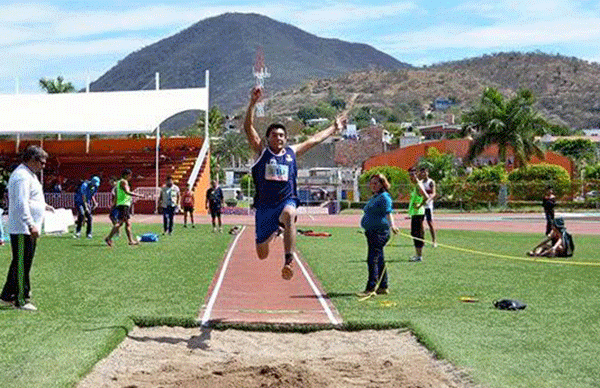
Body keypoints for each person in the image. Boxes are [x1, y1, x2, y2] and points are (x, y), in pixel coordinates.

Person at [244, 86, 346, 280]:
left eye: (282, 135)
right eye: (274, 135)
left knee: (290, 213)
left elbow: (314, 140)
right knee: (262, 254)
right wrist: (252, 103)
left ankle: (289, 260)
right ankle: (275, 229)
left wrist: (334, 128)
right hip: (265, 207)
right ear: (268, 138)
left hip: (286, 201)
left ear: (286, 138)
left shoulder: (291, 153)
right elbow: (248, 129)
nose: (279, 138)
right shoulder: (262, 151)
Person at [0, 146, 54, 311]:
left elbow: (31, 198)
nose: (43, 166)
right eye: (42, 162)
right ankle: (21, 299)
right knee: (23, 263)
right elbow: (21, 202)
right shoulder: (22, 176)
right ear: (32, 159)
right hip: (23, 228)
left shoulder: (28, 175)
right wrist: (30, 224)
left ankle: (7, 295)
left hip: (26, 227)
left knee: (20, 262)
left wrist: (43, 206)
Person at [359, 174, 398, 296]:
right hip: (371, 232)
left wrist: (393, 226)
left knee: (372, 259)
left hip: (379, 233)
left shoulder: (384, 197)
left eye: (376, 183)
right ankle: (383, 286)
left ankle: (371, 288)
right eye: (371, 183)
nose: (373, 185)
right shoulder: (376, 197)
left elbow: (388, 212)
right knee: (379, 259)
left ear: (382, 184)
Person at [104, 169, 144, 247]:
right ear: (126, 175)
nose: (130, 177)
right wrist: (138, 195)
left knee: (127, 223)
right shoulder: (123, 182)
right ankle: (108, 238)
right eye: (130, 175)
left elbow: (118, 194)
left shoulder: (119, 182)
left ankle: (131, 241)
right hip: (124, 205)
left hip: (123, 204)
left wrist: (114, 204)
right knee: (120, 223)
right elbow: (127, 192)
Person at [408, 167, 428, 262]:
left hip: (418, 213)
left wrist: (419, 205)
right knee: (414, 233)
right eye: (410, 175)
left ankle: (419, 256)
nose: (412, 177)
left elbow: (426, 196)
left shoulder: (418, 185)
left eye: (414, 174)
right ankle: (417, 254)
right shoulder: (415, 186)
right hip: (415, 213)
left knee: (418, 234)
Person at [419, 167, 437, 247]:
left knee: (430, 223)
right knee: (421, 224)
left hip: (428, 206)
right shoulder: (420, 182)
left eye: (425, 172)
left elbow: (434, 193)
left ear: (427, 173)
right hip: (422, 206)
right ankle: (422, 240)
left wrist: (429, 199)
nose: (423, 174)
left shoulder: (431, 182)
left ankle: (434, 241)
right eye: (422, 172)